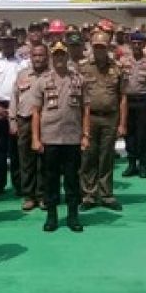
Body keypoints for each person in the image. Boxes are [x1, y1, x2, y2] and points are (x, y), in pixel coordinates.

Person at [31, 41, 88, 233]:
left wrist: (85, 135)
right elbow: (36, 112)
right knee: (50, 179)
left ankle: (73, 215)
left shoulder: (78, 79)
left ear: (67, 56)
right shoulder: (43, 81)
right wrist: (35, 138)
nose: (59, 59)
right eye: (56, 55)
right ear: (51, 58)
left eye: (62, 55)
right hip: (50, 137)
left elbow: (85, 109)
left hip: (72, 137)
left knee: (72, 179)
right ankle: (52, 215)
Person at [78, 32, 127, 211]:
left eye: (103, 47)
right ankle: (89, 195)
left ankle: (106, 195)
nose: (99, 50)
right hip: (89, 118)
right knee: (88, 157)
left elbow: (123, 97)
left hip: (110, 117)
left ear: (108, 48)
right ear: (92, 47)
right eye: (96, 46)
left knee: (106, 156)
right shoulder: (83, 67)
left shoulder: (117, 67)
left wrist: (122, 123)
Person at [10, 43, 50, 211]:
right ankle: (29, 195)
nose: (38, 59)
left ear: (47, 57)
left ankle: (42, 195)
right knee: (25, 160)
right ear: (30, 57)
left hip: (46, 123)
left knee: (44, 161)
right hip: (24, 120)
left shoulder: (52, 75)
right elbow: (14, 97)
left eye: (41, 55)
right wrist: (12, 119)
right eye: (35, 55)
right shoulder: (22, 75)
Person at [0, 30, 24, 197]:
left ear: (15, 43)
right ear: (0, 43)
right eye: (4, 41)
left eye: (11, 41)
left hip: (17, 107)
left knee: (17, 150)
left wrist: (13, 110)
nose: (8, 44)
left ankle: (19, 184)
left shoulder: (23, 64)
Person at [120, 31, 146, 178]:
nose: (136, 45)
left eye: (139, 43)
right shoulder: (123, 61)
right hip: (127, 101)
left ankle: (143, 165)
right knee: (129, 134)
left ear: (143, 44)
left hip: (143, 100)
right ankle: (131, 164)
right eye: (134, 43)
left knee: (143, 134)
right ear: (130, 44)